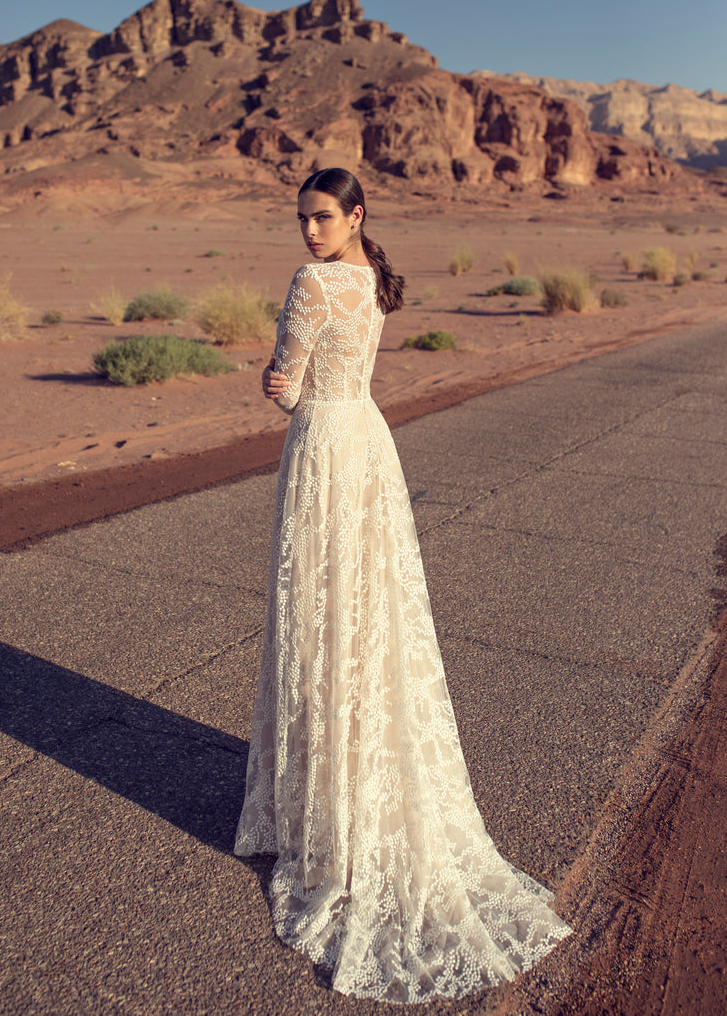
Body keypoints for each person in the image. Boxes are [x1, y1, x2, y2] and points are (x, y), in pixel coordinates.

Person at [234, 168, 571, 1003]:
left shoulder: (312, 284)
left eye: (321, 217)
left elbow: (290, 383)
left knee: (321, 619)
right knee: (364, 619)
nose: (308, 232)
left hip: (323, 453)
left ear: (354, 215)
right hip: (370, 448)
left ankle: (324, 809)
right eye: (301, 219)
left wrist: (274, 388)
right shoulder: (374, 281)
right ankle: (346, 786)